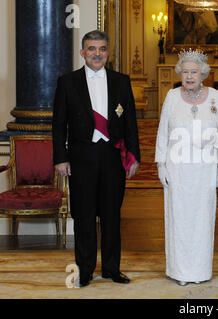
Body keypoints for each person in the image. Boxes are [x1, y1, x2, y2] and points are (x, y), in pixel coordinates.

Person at [52, 30, 140, 287]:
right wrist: (60, 158)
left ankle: (112, 269)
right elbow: (59, 125)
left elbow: (131, 122)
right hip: (81, 158)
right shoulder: (67, 82)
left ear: (108, 52)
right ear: (83, 52)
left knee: (112, 215)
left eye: (102, 49)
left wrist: (133, 156)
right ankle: (86, 270)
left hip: (113, 157)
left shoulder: (122, 81)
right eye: (92, 49)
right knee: (84, 215)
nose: (97, 54)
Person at [155, 49, 218, 286]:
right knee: (179, 219)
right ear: (180, 72)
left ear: (203, 74)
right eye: (185, 71)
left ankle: (199, 272)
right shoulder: (171, 96)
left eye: (194, 72)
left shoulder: (215, 96)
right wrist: (161, 165)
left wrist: (213, 139)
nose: (189, 76)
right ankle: (180, 272)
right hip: (178, 168)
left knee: (202, 219)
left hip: (204, 168)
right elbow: (162, 133)